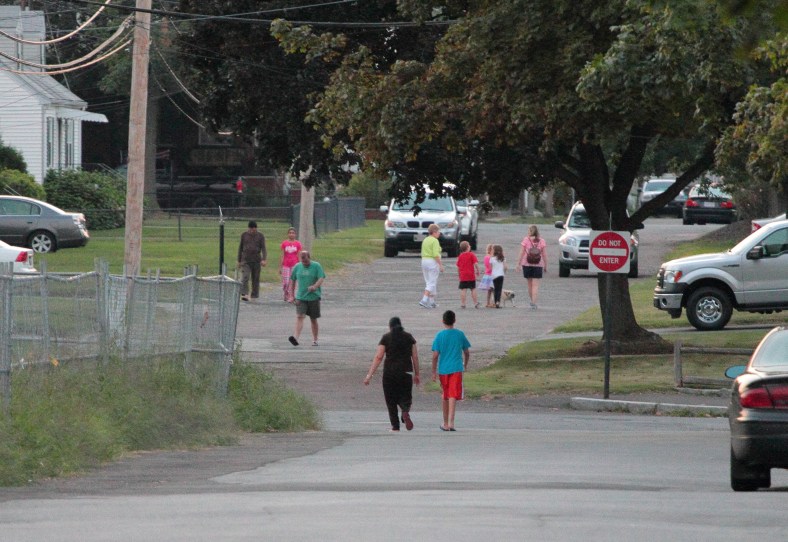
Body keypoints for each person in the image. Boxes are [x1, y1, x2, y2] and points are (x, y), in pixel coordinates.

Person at [363, 317, 420, 432]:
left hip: (390, 372)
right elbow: (415, 357)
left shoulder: (386, 338)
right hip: (406, 372)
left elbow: (379, 357)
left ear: (390, 327)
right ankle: (405, 411)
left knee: (391, 400)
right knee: (406, 395)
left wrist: (369, 375)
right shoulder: (409, 337)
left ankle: (395, 426)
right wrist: (417, 374)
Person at [431, 310, 470, 431]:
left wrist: (433, 371)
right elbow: (466, 352)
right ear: (454, 320)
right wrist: (465, 364)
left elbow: (435, 355)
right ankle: (451, 422)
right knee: (453, 394)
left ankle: (445, 422)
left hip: (443, 369)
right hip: (456, 367)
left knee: (445, 395)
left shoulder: (440, 335)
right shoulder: (460, 334)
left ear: (443, 321)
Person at [288, 250, 326, 346]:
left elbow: (321, 278)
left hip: (313, 297)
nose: (304, 262)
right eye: (302, 260)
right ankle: (295, 338)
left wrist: (315, 286)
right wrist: (292, 295)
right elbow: (292, 281)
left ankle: (315, 339)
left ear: (309, 257)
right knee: (300, 316)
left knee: (313, 319)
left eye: (306, 260)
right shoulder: (297, 267)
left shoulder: (316, 266)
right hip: (301, 297)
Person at [518, 224, 548, 309]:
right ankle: (534, 303)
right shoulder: (542, 241)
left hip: (527, 264)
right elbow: (544, 254)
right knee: (535, 285)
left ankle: (532, 301)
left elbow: (521, 252)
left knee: (529, 284)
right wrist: (545, 265)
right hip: (538, 265)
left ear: (529, 231)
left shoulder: (526, 240)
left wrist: (518, 263)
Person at [237, 220, 267, 301]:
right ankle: (245, 294)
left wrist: (264, 259)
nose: (253, 231)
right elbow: (240, 248)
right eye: (251, 230)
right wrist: (239, 260)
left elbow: (263, 248)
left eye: (254, 230)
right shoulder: (244, 235)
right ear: (248, 229)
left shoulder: (260, 236)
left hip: (256, 260)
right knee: (245, 276)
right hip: (246, 260)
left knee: (255, 278)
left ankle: (254, 295)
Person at [419, 223, 444, 308]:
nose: (439, 233)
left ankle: (431, 301)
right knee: (432, 282)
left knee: (428, 281)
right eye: (438, 232)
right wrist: (440, 265)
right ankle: (424, 299)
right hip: (432, 262)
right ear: (434, 232)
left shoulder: (426, 239)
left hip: (424, 260)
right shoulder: (435, 241)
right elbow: (435, 254)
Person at [279, 227, 302, 303]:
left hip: (294, 265)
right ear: (288, 234)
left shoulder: (298, 244)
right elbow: (282, 255)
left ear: (295, 234)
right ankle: (286, 293)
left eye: (293, 233)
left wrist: (300, 266)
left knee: (292, 281)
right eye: (290, 233)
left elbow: (299, 255)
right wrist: (280, 267)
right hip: (286, 265)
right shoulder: (284, 243)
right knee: (286, 282)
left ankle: (291, 296)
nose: (291, 234)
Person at [455, 241, 480, 309]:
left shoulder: (460, 256)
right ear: (467, 248)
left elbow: (458, 267)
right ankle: (475, 303)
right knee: (473, 289)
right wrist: (478, 270)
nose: (470, 246)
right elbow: (476, 264)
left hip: (463, 275)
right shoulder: (471, 254)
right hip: (471, 275)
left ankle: (463, 304)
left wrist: (459, 274)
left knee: (463, 289)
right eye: (469, 245)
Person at [490, 244, 507, 308]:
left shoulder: (492, 259)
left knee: (495, 289)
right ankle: (498, 302)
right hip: (501, 275)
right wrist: (504, 272)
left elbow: (491, 268)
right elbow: (505, 267)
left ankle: (495, 302)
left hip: (494, 275)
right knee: (499, 289)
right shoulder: (503, 258)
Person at [479, 243, 495, 308]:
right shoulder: (490, 258)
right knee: (494, 290)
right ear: (491, 250)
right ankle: (493, 303)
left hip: (487, 275)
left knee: (489, 290)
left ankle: (488, 303)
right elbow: (491, 267)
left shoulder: (486, 257)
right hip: (491, 275)